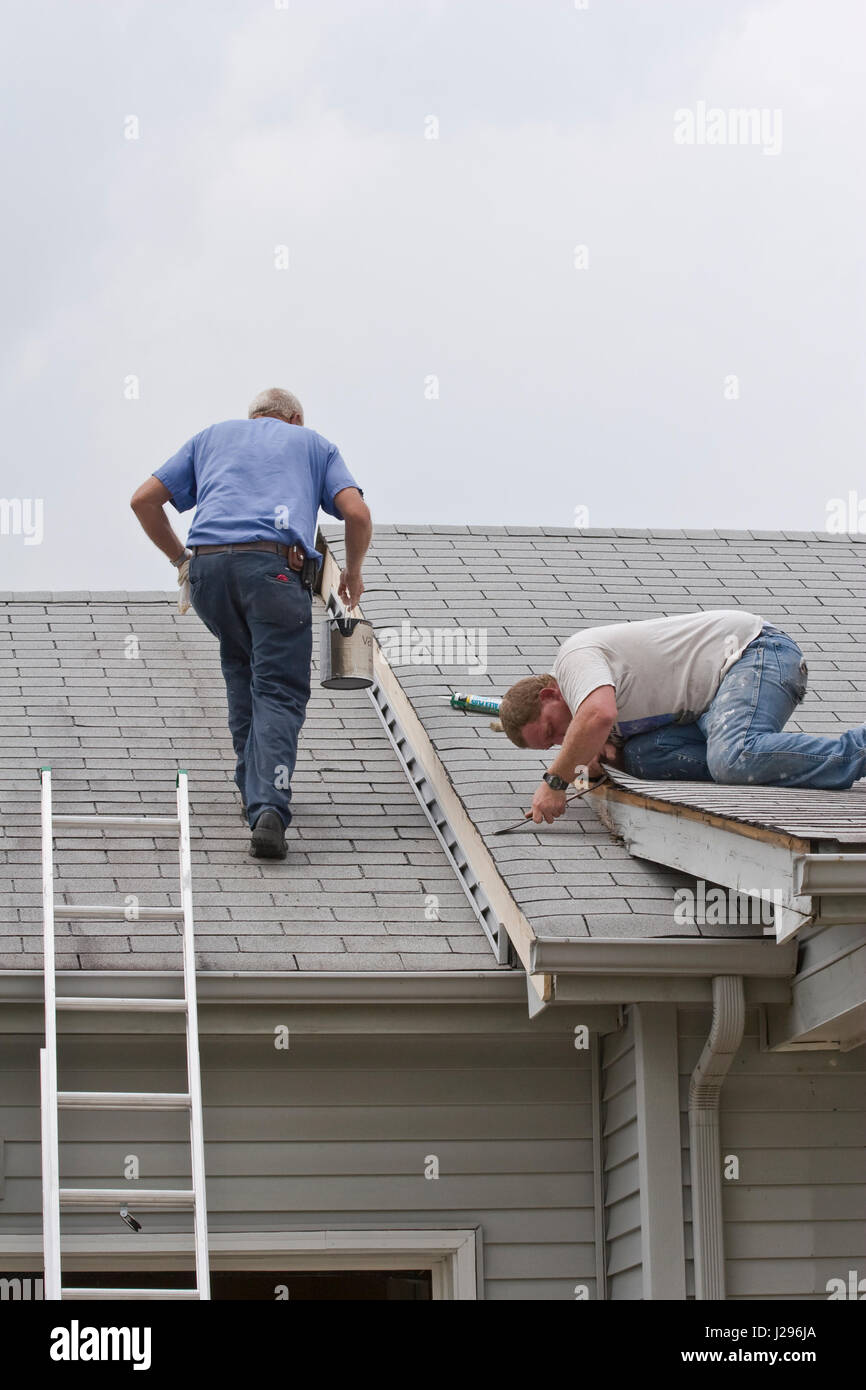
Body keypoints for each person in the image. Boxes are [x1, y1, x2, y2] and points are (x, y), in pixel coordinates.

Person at [130, 387, 372, 859]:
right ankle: (269, 809)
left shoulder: (211, 438)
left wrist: (181, 559)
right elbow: (358, 514)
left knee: (243, 675)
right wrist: (354, 573)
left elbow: (143, 501)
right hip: (274, 574)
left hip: (209, 576)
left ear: (256, 415)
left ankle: (254, 794)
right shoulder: (314, 444)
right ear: (295, 418)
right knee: (278, 690)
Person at [498, 609, 866, 826]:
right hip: (711, 706)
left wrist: (556, 782)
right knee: (640, 757)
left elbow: (598, 714)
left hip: (753, 653)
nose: (563, 740)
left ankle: (858, 751)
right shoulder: (593, 701)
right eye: (553, 744)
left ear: (550, 694)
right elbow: (599, 728)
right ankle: (760, 768)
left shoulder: (572, 660)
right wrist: (601, 759)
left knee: (731, 757)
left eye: (552, 728)